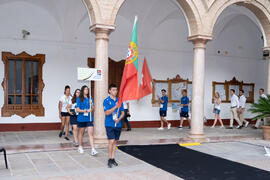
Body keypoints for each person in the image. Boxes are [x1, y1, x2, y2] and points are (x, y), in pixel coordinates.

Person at [103, 84, 125, 168]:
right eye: (113, 90)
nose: (115, 91)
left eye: (116, 90)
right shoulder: (106, 100)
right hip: (109, 124)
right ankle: (109, 158)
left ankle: (113, 158)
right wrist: (115, 106)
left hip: (118, 124)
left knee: (115, 141)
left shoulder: (120, 100)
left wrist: (119, 119)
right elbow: (107, 112)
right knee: (111, 141)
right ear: (109, 91)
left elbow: (123, 113)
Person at [75, 85, 98, 156]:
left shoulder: (90, 98)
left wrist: (92, 104)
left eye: (87, 89)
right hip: (81, 118)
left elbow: (93, 108)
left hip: (89, 118)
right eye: (85, 89)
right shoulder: (79, 99)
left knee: (90, 133)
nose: (87, 91)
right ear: (82, 91)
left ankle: (93, 149)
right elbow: (77, 110)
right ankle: (80, 146)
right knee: (81, 133)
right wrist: (84, 110)